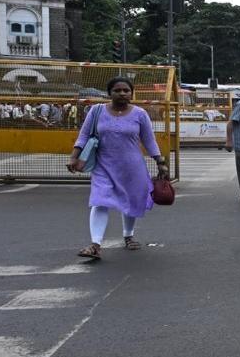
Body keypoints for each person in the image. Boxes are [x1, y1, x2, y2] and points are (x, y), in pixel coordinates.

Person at [68, 77, 170, 260]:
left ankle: (128, 235)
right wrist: (74, 157)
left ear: (131, 93)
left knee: (130, 201)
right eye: (117, 90)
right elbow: (83, 136)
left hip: (132, 167)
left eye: (126, 90)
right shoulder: (96, 111)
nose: (122, 93)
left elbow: (149, 139)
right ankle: (95, 244)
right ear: (110, 93)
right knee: (99, 200)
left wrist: (159, 161)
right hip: (103, 165)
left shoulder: (140, 114)